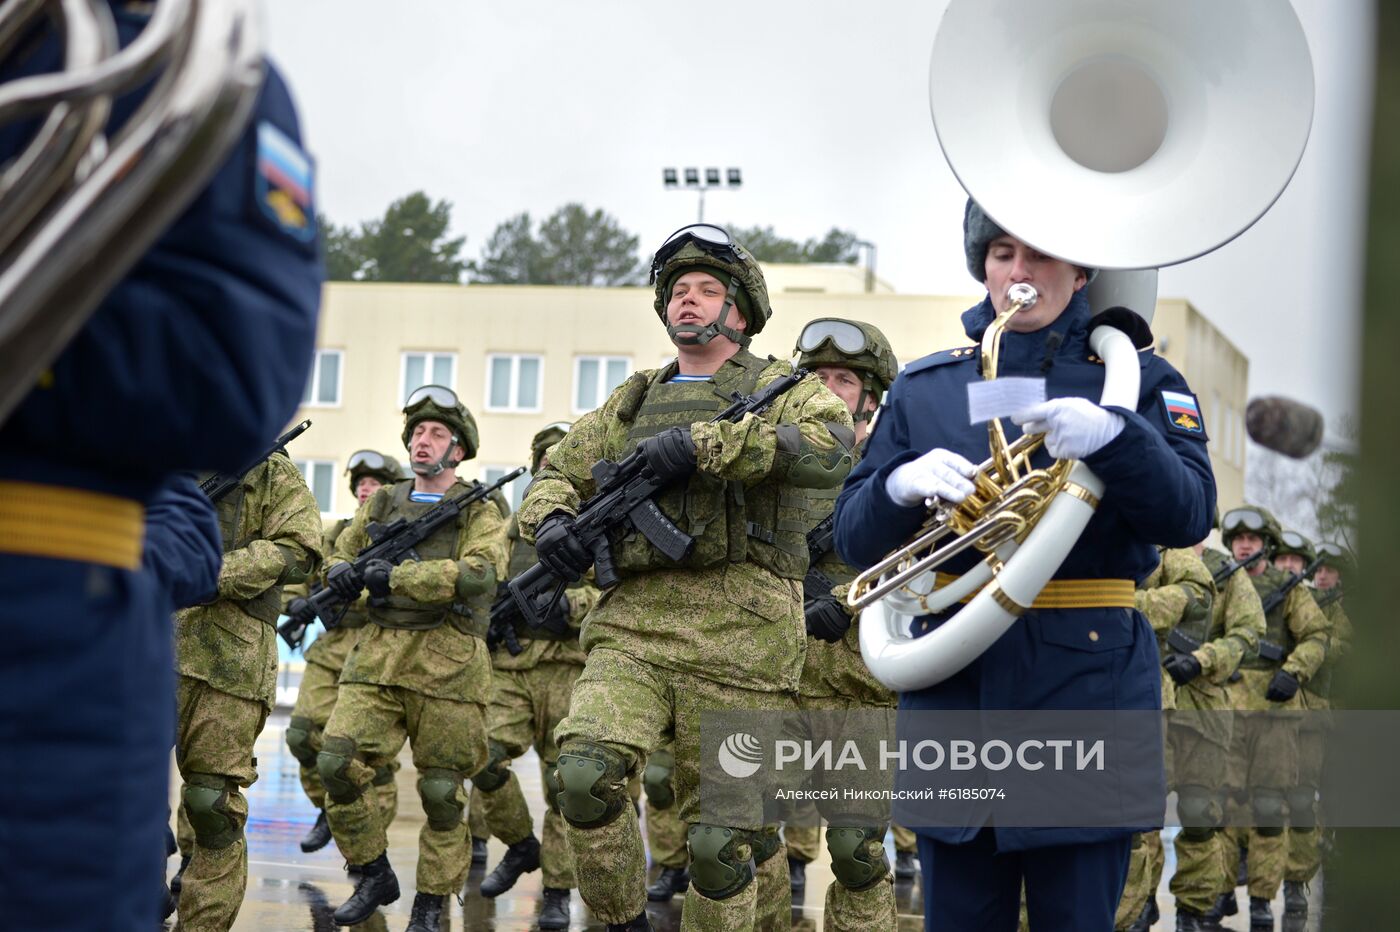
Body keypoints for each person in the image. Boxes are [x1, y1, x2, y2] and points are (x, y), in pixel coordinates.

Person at [0, 7, 322, 929]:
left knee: (210, 809)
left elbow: (239, 382)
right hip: (145, 635)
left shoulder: (186, 60)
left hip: (49, 627)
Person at [833, 200, 1215, 932]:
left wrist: (1116, 438)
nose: (1020, 272)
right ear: (982, 266)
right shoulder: (926, 386)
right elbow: (852, 538)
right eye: (1003, 253)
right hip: (956, 695)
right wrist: (896, 486)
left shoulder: (1140, 380)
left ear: (1081, 271)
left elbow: (1190, 513)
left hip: (1084, 694)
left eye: (1041, 253)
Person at [518, 223, 855, 931]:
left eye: (706, 289)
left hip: (744, 636)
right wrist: (550, 522)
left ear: (741, 311)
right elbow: (556, 474)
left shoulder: (784, 389)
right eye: (678, 291)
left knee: (721, 846)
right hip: (632, 626)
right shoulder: (634, 400)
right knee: (582, 776)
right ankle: (622, 920)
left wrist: (706, 445)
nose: (688, 300)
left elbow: (832, 449)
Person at [317, 385, 507, 932]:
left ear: (458, 450)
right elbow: (340, 552)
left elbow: (481, 573)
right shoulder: (381, 502)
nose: (424, 441)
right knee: (336, 763)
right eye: (418, 432)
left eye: (437, 434)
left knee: (442, 792)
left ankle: (431, 904)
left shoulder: (479, 507)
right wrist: (339, 572)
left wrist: (399, 577)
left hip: (448, 665)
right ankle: (373, 870)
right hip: (377, 658)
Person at [783, 317, 902, 930]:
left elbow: (924, 563)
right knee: (731, 847)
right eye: (818, 378)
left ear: (870, 398)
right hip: (769, 677)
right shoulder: (771, 464)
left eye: (845, 380)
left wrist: (848, 600)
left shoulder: (895, 473)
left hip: (859, 684)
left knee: (856, 852)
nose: (829, 390)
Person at [173, 451, 323, 930]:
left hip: (230, 661)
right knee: (108, 784)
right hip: (145, 646)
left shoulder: (269, 469)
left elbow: (299, 550)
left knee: (210, 804)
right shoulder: (156, 451)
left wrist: (213, 572)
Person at [473, 422, 600, 930]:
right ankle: (522, 843)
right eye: (545, 461)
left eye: (561, 460)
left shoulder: (596, 524)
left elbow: (616, 593)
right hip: (513, 663)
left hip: (569, 667)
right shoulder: (511, 529)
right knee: (482, 756)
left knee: (564, 784)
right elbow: (483, 577)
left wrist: (570, 606)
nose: (552, 468)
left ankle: (557, 890)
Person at [285, 450, 406, 856]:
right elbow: (303, 575)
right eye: (361, 483)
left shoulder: (402, 535)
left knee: (368, 755)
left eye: (375, 484)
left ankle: (370, 845)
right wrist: (295, 602)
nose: (366, 489)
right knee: (302, 734)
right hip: (334, 644)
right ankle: (328, 807)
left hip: (378, 646)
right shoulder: (337, 534)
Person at [1216, 507, 1329, 931]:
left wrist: (1293, 671)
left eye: (1253, 538)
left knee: (1268, 808)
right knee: (1223, 807)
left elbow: (1317, 635)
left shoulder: (1289, 588)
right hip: (1228, 710)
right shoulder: (1219, 584)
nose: (1245, 545)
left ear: (1266, 543)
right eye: (1238, 538)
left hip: (1276, 715)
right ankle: (1220, 891)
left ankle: (1263, 899)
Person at [1283, 541, 1350, 920]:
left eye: (1330, 570)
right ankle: (1298, 880)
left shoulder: (1346, 609)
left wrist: (1317, 644)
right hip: (1306, 711)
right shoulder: (1304, 600)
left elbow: (1346, 648)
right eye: (1319, 569)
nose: (1322, 576)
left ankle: (1334, 874)